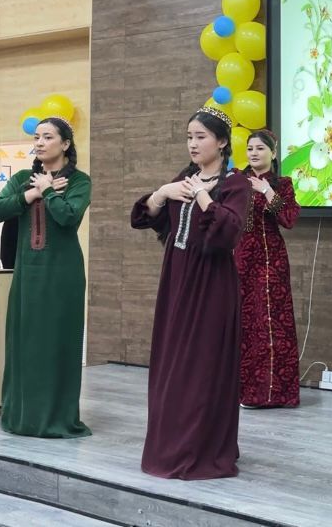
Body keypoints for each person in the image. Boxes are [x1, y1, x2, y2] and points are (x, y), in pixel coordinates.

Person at [131, 106, 250, 480]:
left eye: (201, 137)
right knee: (172, 363)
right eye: (189, 137)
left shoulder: (236, 184)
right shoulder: (183, 178)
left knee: (201, 366)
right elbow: (144, 217)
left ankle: (201, 448)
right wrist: (162, 193)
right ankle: (168, 445)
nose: (193, 144)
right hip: (177, 278)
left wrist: (202, 196)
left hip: (212, 282)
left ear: (222, 142)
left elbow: (228, 232)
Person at [0, 117, 91, 438]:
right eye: (37, 137)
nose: (40, 143)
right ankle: (21, 417)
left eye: (48, 137)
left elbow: (68, 217)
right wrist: (32, 193)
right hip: (26, 275)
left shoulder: (79, 182)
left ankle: (57, 418)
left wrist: (49, 192)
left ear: (65, 144)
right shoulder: (22, 179)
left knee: (57, 344)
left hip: (62, 275)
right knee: (25, 344)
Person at [236, 129, 301, 409]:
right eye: (250, 148)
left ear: (273, 153)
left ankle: (273, 394)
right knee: (242, 323)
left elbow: (289, 218)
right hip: (239, 260)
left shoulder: (282, 184)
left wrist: (266, 190)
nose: (254, 153)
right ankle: (240, 391)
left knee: (271, 324)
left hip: (270, 262)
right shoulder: (235, 180)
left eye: (260, 148)